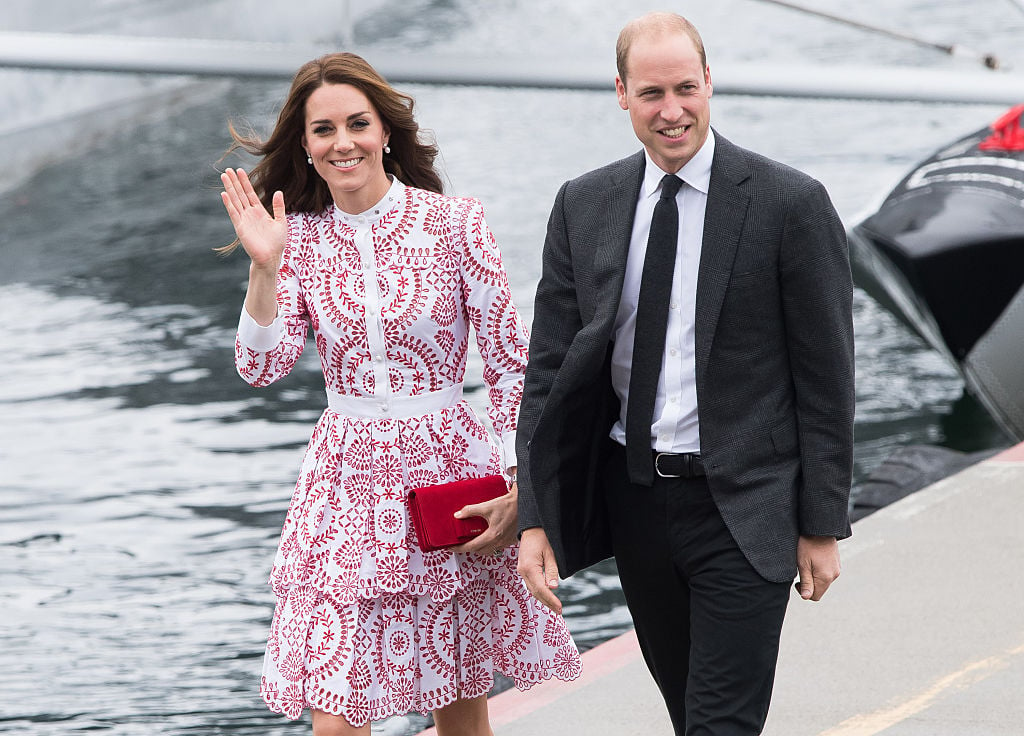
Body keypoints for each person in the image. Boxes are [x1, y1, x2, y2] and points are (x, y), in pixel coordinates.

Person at [218, 52, 580, 736]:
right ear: (306, 144)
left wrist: (518, 488)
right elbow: (260, 369)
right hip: (345, 488)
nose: (342, 141)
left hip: (451, 477)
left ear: (386, 131)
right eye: (324, 129)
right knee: (337, 720)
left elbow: (510, 366)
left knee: (461, 705)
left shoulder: (455, 223)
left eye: (357, 123)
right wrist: (264, 269)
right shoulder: (296, 240)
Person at [515, 12, 854, 735]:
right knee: (689, 716)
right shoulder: (583, 204)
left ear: (709, 85)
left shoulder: (789, 204)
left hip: (746, 509)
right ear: (621, 94)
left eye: (686, 89)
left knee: (720, 726)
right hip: (635, 504)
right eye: (651, 93)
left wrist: (822, 523)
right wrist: (538, 516)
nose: (671, 111)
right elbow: (549, 371)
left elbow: (827, 377)